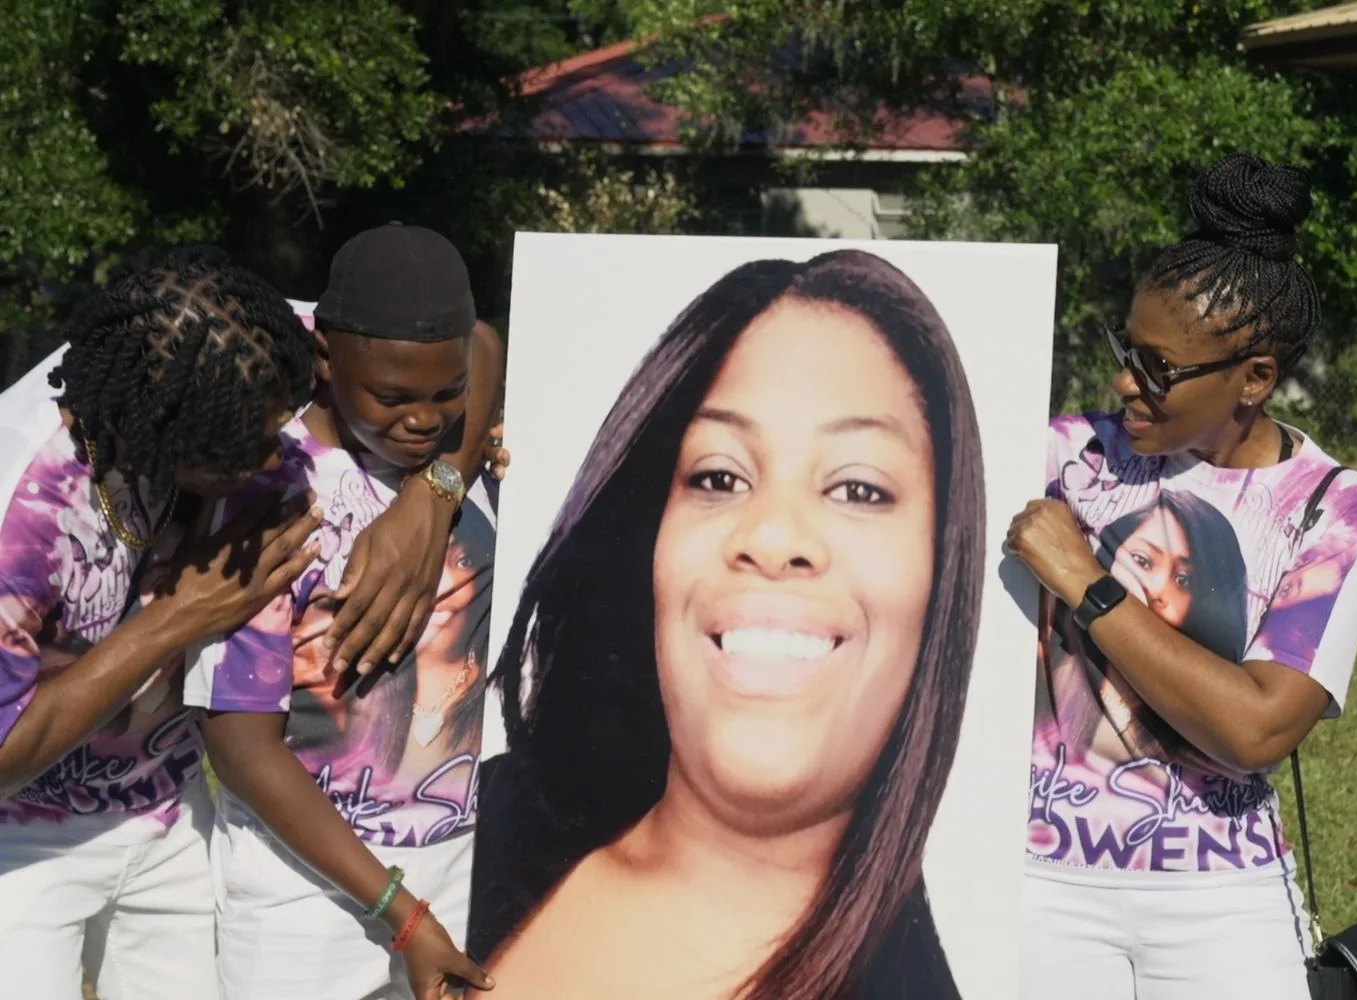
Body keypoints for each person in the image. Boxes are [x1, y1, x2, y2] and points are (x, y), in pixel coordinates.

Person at [468, 249, 985, 999]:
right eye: (718, 477)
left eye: (859, 488)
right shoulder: (480, 831)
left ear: (944, 570)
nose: (773, 539)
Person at [1007, 153, 1357, 1000]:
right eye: (1126, 351)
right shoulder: (1067, 456)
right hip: (1039, 885)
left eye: (1158, 369)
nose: (1124, 383)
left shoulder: (1330, 507)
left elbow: (1254, 730)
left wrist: (1089, 582)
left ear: (1254, 379)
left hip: (1223, 895)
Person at [0, 245, 327, 999]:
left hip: (168, 811)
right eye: (241, 444)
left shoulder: (236, 347)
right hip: (22, 841)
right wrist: (176, 618)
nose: (271, 452)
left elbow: (454, 335)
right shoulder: (23, 505)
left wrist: (435, 489)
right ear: (160, 426)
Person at [185, 224, 497, 1000]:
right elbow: (242, 749)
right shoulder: (271, 496)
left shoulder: (458, 465)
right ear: (324, 358)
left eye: (445, 392)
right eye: (391, 397)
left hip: (459, 880)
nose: (424, 420)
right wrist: (404, 915)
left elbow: (487, 341)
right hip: (306, 910)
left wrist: (443, 486)